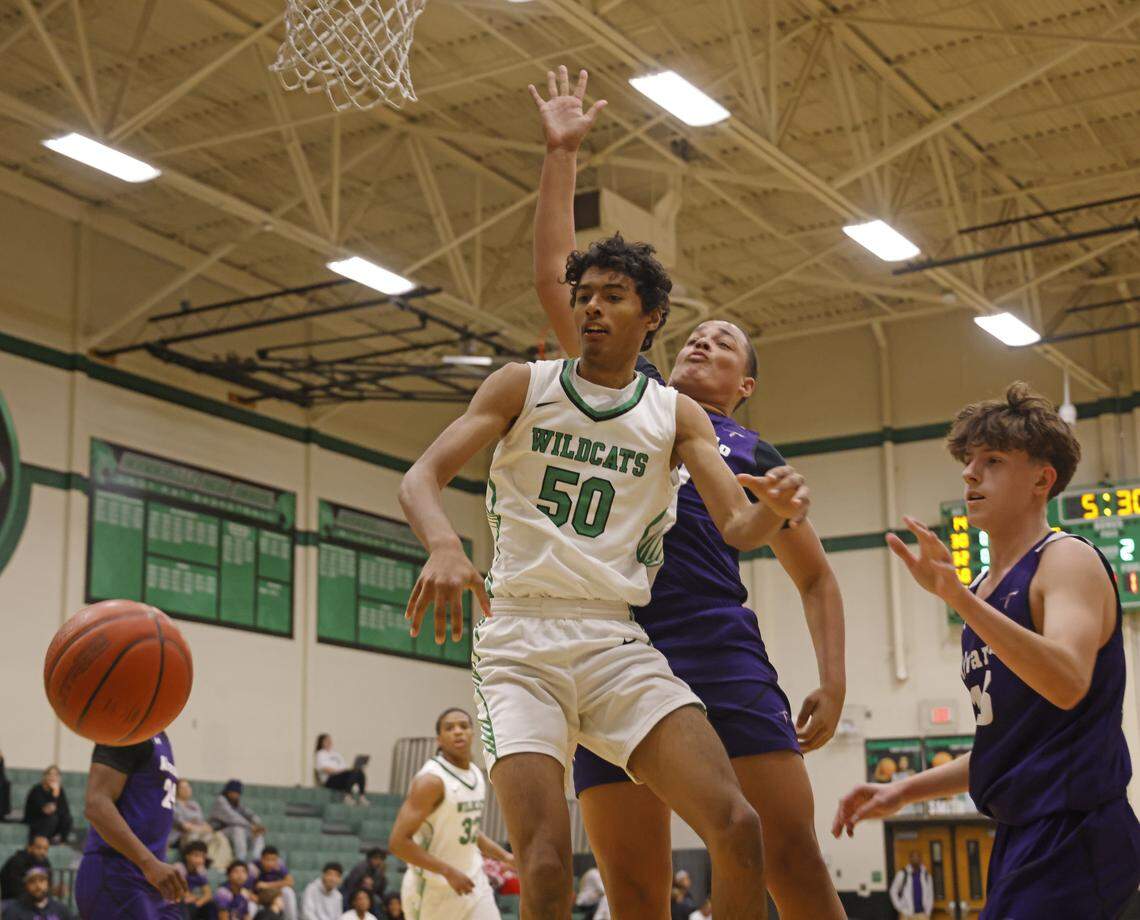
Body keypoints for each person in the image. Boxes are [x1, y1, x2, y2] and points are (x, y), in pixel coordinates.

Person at [531, 65, 846, 920]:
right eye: (698, 333)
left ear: (745, 387)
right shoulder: (628, 399)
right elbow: (563, 278)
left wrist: (835, 679)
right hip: (610, 645)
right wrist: (562, 156)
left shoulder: (747, 447)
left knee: (790, 859)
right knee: (635, 890)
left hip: (714, 643)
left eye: (728, 343)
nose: (707, 339)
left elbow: (816, 576)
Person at [833, 383, 1140, 917]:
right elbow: (1008, 746)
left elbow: (1068, 683)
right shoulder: (980, 591)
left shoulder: (1066, 560)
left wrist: (955, 598)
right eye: (969, 461)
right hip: (1021, 832)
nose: (970, 473)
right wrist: (904, 792)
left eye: (993, 460)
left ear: (1042, 480)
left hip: (1076, 827)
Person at [389, 708, 512, 920]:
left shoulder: (475, 773)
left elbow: (469, 829)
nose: (458, 731)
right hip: (432, 892)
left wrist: (506, 857)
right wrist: (448, 872)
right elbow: (398, 843)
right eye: (449, 728)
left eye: (463, 726)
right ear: (439, 739)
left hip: (473, 882)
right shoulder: (430, 781)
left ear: (473, 733)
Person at [75, 730, 188, 919]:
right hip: (116, 874)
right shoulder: (128, 725)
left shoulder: (161, 735)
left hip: (152, 880)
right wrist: (149, 864)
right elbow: (96, 805)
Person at [173, 780, 233, 867]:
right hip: (183, 835)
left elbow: (202, 822)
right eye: (183, 787)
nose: (187, 789)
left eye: (188, 787)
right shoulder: (174, 805)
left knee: (219, 837)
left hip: (199, 832)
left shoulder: (194, 805)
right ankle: (194, 863)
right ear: (177, 790)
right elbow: (185, 826)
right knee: (195, 835)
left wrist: (207, 828)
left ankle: (218, 865)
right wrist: (200, 828)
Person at [209, 781, 266, 862]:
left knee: (257, 835)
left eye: (237, 793)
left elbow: (251, 814)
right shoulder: (220, 801)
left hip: (232, 831)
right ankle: (240, 860)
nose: (236, 794)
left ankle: (256, 860)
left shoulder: (237, 803)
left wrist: (257, 824)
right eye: (233, 792)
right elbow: (233, 817)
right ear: (228, 791)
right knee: (238, 830)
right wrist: (251, 826)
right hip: (218, 832)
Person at [314, 735, 368, 806]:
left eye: (330, 740)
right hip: (330, 779)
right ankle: (347, 797)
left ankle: (362, 796)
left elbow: (344, 767)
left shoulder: (336, 754)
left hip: (342, 776)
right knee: (352, 772)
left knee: (359, 772)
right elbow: (325, 769)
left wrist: (347, 771)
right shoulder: (320, 754)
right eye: (326, 740)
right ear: (321, 742)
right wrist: (339, 772)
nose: (329, 742)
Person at [24, 766, 72, 844]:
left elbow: (65, 810)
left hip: (52, 820)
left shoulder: (60, 790)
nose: (52, 777)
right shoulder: (37, 790)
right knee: (52, 818)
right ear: (44, 776)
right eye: (50, 774)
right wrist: (55, 795)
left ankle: (62, 841)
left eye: (56, 775)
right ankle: (41, 841)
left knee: (67, 818)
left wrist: (56, 793)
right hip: (36, 819)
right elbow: (48, 810)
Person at [247, 846, 296, 920]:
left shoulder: (279, 865)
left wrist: (267, 885)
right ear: (261, 859)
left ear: (277, 860)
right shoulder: (253, 868)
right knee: (250, 906)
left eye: (273, 860)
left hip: (274, 897)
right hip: (258, 898)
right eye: (267, 859)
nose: (270, 863)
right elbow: (245, 890)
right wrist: (259, 900)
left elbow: (290, 882)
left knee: (288, 891)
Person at [5, 866, 73, 920]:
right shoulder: (15, 911)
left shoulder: (60, 909)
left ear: (47, 884)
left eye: (42, 880)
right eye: (32, 882)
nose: (38, 886)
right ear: (26, 886)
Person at [174, 840, 216, 920]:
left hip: (191, 901)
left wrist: (197, 903)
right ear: (187, 856)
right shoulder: (179, 867)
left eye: (202, 857)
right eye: (196, 856)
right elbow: (181, 891)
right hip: (177, 900)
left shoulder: (201, 870)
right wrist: (193, 899)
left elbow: (208, 894)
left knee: (211, 905)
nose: (199, 860)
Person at [1, 835, 51, 901]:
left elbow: (47, 885)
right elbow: (15, 889)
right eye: (39, 848)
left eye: (45, 849)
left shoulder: (45, 862)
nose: (42, 852)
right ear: (29, 847)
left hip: (35, 900)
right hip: (12, 900)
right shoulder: (16, 861)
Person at [889, 851, 932, 920]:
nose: (915, 859)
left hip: (922, 914)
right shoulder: (902, 874)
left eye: (917, 857)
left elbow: (930, 895)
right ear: (910, 859)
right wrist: (899, 907)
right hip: (906, 914)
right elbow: (893, 891)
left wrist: (928, 912)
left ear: (921, 859)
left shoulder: (927, 876)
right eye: (913, 857)